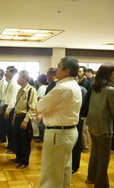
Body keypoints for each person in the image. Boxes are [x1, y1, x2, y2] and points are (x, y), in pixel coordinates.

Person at [36, 57, 82, 188]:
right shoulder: (73, 85)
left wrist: (41, 106)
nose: (55, 68)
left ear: (67, 71)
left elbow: (39, 106)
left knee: (51, 173)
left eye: (58, 66)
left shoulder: (62, 88)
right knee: (63, 170)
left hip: (58, 134)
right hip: (68, 132)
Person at [85, 62, 114, 188]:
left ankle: (91, 178)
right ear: (109, 74)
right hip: (104, 127)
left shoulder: (94, 87)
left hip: (92, 125)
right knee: (104, 158)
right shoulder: (110, 90)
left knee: (95, 154)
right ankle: (101, 184)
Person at [10, 70, 37, 169]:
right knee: (16, 139)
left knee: (25, 141)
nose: (17, 79)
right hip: (18, 117)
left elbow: (33, 108)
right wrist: (14, 118)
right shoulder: (20, 90)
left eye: (19, 77)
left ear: (24, 78)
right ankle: (18, 157)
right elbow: (17, 105)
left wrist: (26, 121)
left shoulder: (31, 90)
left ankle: (24, 161)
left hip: (25, 118)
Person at [35, 68, 57, 143]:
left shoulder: (56, 85)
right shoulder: (50, 84)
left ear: (53, 75)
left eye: (48, 74)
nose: (47, 77)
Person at [1, 66, 19, 154]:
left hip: (11, 108)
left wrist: (7, 111)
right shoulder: (9, 82)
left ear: (12, 73)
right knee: (8, 129)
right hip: (7, 107)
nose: (6, 73)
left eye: (7, 71)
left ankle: (13, 148)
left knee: (11, 130)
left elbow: (12, 99)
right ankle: (10, 144)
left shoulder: (14, 83)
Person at [72, 84, 87, 173]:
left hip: (78, 118)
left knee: (76, 143)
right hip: (68, 120)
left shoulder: (82, 90)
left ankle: (74, 165)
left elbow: (84, 105)